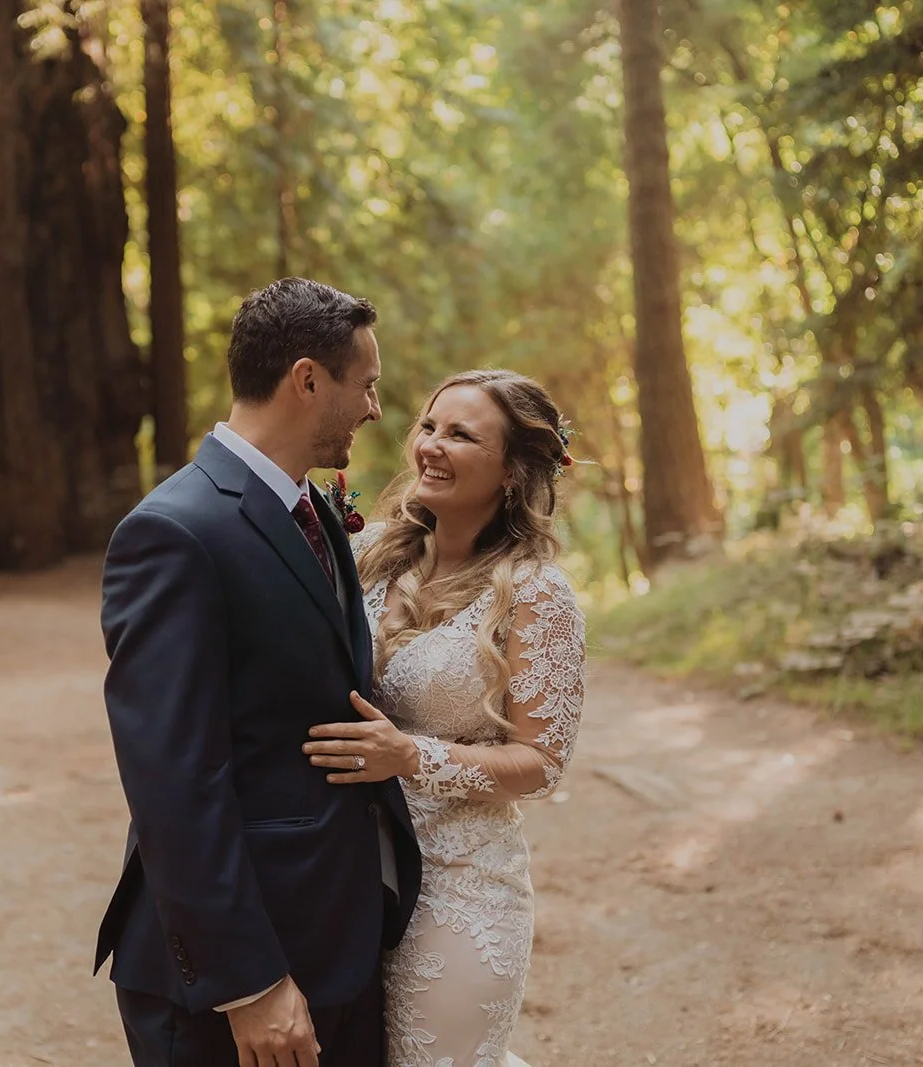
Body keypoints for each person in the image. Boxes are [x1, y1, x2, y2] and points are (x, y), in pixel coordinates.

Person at [96, 278, 422, 1067]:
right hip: (241, 976)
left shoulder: (310, 509)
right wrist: (250, 983)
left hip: (332, 939)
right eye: (367, 385)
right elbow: (174, 779)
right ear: (308, 380)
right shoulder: (174, 533)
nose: (376, 409)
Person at [302, 369, 587, 1067]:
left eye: (460, 434)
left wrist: (411, 758)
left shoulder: (537, 595)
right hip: (352, 878)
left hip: (460, 885)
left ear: (514, 473)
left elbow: (541, 764)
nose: (431, 444)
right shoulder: (369, 557)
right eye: (430, 425)